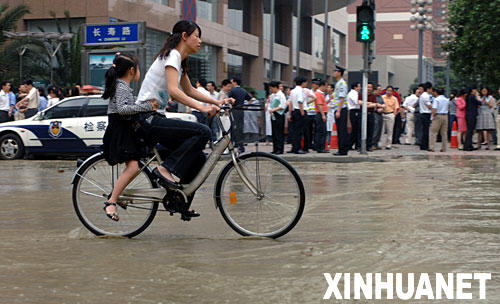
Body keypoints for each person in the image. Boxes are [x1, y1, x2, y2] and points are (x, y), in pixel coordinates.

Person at [135, 20, 227, 219]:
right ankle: (164, 169)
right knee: (203, 131)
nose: (200, 41)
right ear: (184, 36)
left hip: (153, 117)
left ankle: (180, 203)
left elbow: (190, 90)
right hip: (145, 117)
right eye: (197, 35)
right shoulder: (173, 55)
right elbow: (174, 91)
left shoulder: (180, 59)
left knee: (199, 158)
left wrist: (217, 102)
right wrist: (202, 108)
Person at [101, 52, 152, 221]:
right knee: (133, 168)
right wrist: (146, 107)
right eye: (138, 69)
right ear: (132, 70)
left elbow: (130, 104)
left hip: (124, 130)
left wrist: (146, 104)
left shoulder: (122, 86)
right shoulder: (121, 86)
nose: (139, 73)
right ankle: (112, 201)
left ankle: (118, 195)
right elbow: (123, 109)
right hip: (121, 131)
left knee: (135, 167)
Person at [228, 78, 251, 153]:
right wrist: (246, 106)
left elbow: (229, 100)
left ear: (234, 82)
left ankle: (233, 144)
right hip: (241, 110)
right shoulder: (243, 90)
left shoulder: (232, 90)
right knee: (240, 127)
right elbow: (251, 99)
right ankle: (241, 145)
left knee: (232, 127)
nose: (230, 83)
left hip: (234, 110)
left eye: (231, 82)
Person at [331, 66, 349, 156]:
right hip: (339, 109)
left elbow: (342, 98)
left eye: (336, 71)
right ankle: (341, 149)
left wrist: (338, 111)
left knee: (342, 131)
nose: (334, 72)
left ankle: (343, 150)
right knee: (340, 130)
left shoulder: (342, 83)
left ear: (339, 73)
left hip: (341, 110)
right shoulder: (338, 83)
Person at [289, 76, 308, 154]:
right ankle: (298, 149)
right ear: (303, 83)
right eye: (306, 82)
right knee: (299, 131)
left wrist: (290, 114)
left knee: (294, 131)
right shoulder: (300, 91)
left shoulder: (292, 91)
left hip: (294, 111)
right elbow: (300, 101)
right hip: (300, 111)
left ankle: (294, 147)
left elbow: (290, 102)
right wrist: (302, 112)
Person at [268, 81, 286, 154]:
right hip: (273, 114)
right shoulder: (273, 95)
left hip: (279, 114)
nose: (271, 90)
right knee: (274, 132)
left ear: (275, 87)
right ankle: (275, 148)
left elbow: (283, 106)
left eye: (271, 88)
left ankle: (280, 149)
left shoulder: (281, 95)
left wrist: (274, 109)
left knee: (279, 133)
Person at [429, 87, 449, 152]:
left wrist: (433, 116)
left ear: (436, 92)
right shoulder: (446, 99)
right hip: (445, 116)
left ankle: (432, 147)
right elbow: (448, 107)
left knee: (433, 132)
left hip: (438, 116)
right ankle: (444, 148)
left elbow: (434, 109)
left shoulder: (436, 99)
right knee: (444, 133)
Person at [379, 86, 399, 150]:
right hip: (382, 114)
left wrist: (394, 114)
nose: (389, 92)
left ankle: (388, 144)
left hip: (390, 114)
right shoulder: (382, 97)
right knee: (381, 130)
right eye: (388, 90)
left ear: (393, 92)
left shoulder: (394, 98)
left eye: (390, 91)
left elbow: (396, 107)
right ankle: (380, 144)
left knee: (390, 130)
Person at [314, 79, 328, 153]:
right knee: (321, 131)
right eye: (326, 86)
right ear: (322, 86)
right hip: (320, 114)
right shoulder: (318, 94)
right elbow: (319, 105)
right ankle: (320, 148)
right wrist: (323, 115)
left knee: (321, 131)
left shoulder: (320, 93)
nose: (326, 88)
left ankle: (320, 147)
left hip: (321, 113)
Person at [418, 82, 433, 150]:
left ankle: (423, 145)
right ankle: (424, 145)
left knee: (424, 130)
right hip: (425, 114)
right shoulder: (426, 96)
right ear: (428, 89)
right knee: (426, 131)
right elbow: (429, 106)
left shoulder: (423, 95)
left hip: (423, 113)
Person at [347, 82, 361, 150]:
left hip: (355, 111)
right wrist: (367, 103)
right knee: (355, 129)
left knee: (356, 129)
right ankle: (350, 144)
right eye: (359, 86)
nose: (360, 88)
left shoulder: (355, 93)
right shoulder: (353, 93)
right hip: (353, 111)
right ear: (355, 87)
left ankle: (355, 144)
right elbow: (356, 102)